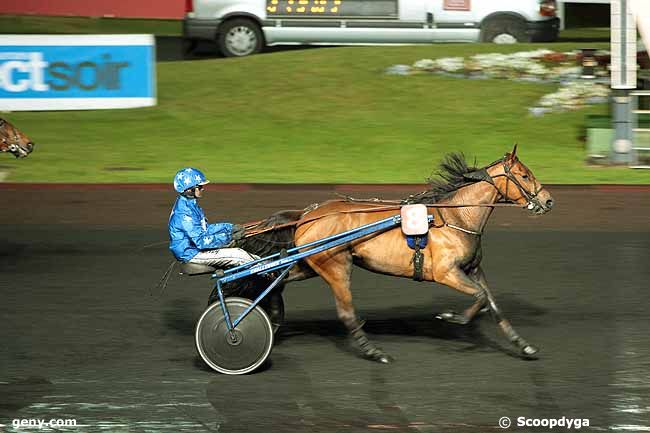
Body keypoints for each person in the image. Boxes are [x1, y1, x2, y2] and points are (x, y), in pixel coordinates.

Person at [168, 167, 257, 268]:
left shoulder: (190, 204)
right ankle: (270, 276)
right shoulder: (185, 213)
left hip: (194, 249)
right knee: (239, 255)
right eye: (200, 187)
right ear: (190, 190)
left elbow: (205, 230)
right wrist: (229, 237)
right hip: (191, 254)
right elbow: (201, 241)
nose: (203, 189)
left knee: (251, 256)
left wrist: (230, 228)